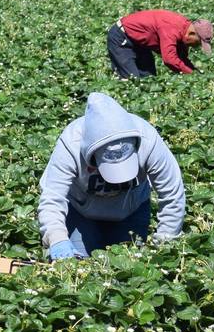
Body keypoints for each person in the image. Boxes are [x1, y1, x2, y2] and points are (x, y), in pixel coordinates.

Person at [38, 92, 185, 260]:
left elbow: (172, 193)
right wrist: (57, 238)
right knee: (77, 267)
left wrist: (164, 246)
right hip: (81, 212)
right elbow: (52, 197)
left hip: (132, 210)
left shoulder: (148, 141)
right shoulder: (71, 145)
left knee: (129, 268)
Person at [107, 10, 214, 77]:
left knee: (148, 78)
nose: (196, 46)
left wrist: (195, 73)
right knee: (131, 79)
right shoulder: (171, 27)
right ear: (191, 34)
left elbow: (181, 57)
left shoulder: (184, 30)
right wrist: (191, 74)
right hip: (122, 36)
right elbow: (170, 59)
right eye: (198, 42)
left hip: (140, 44)